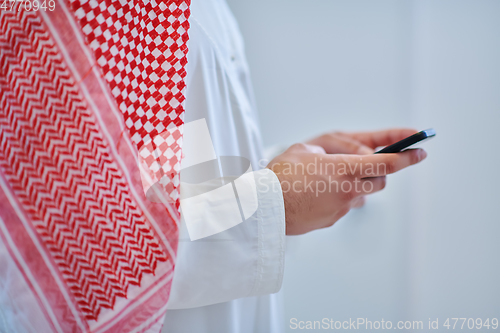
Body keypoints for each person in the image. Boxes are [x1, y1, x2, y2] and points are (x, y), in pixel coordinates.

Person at [161, 0, 426, 332]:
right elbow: (110, 252)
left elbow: (174, 171)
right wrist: (276, 200)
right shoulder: (98, 22)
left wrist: (285, 166)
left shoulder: (209, 9)